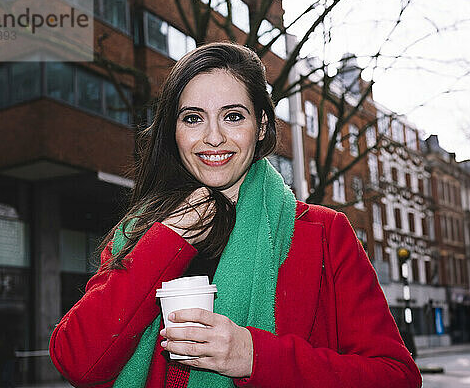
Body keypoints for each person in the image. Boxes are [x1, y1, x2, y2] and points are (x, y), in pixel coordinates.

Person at [49, 42, 422, 388]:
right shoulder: (138, 234)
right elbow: (79, 361)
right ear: (174, 131)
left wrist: (252, 356)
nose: (213, 137)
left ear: (260, 126)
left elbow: (396, 376)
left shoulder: (325, 233)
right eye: (193, 118)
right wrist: (166, 239)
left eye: (232, 116)